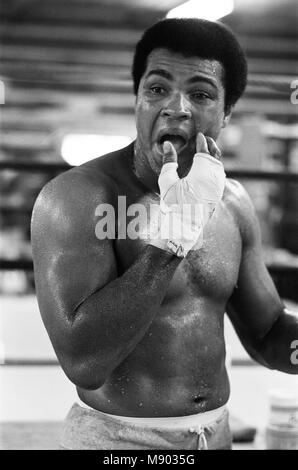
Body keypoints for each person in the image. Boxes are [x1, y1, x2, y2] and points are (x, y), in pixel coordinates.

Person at [31, 18, 298, 450]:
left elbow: (268, 334)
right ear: (137, 98)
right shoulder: (79, 198)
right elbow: (84, 361)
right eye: (157, 89)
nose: (177, 106)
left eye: (200, 93)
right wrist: (174, 236)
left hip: (214, 435)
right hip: (116, 442)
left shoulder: (232, 202)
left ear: (226, 113)